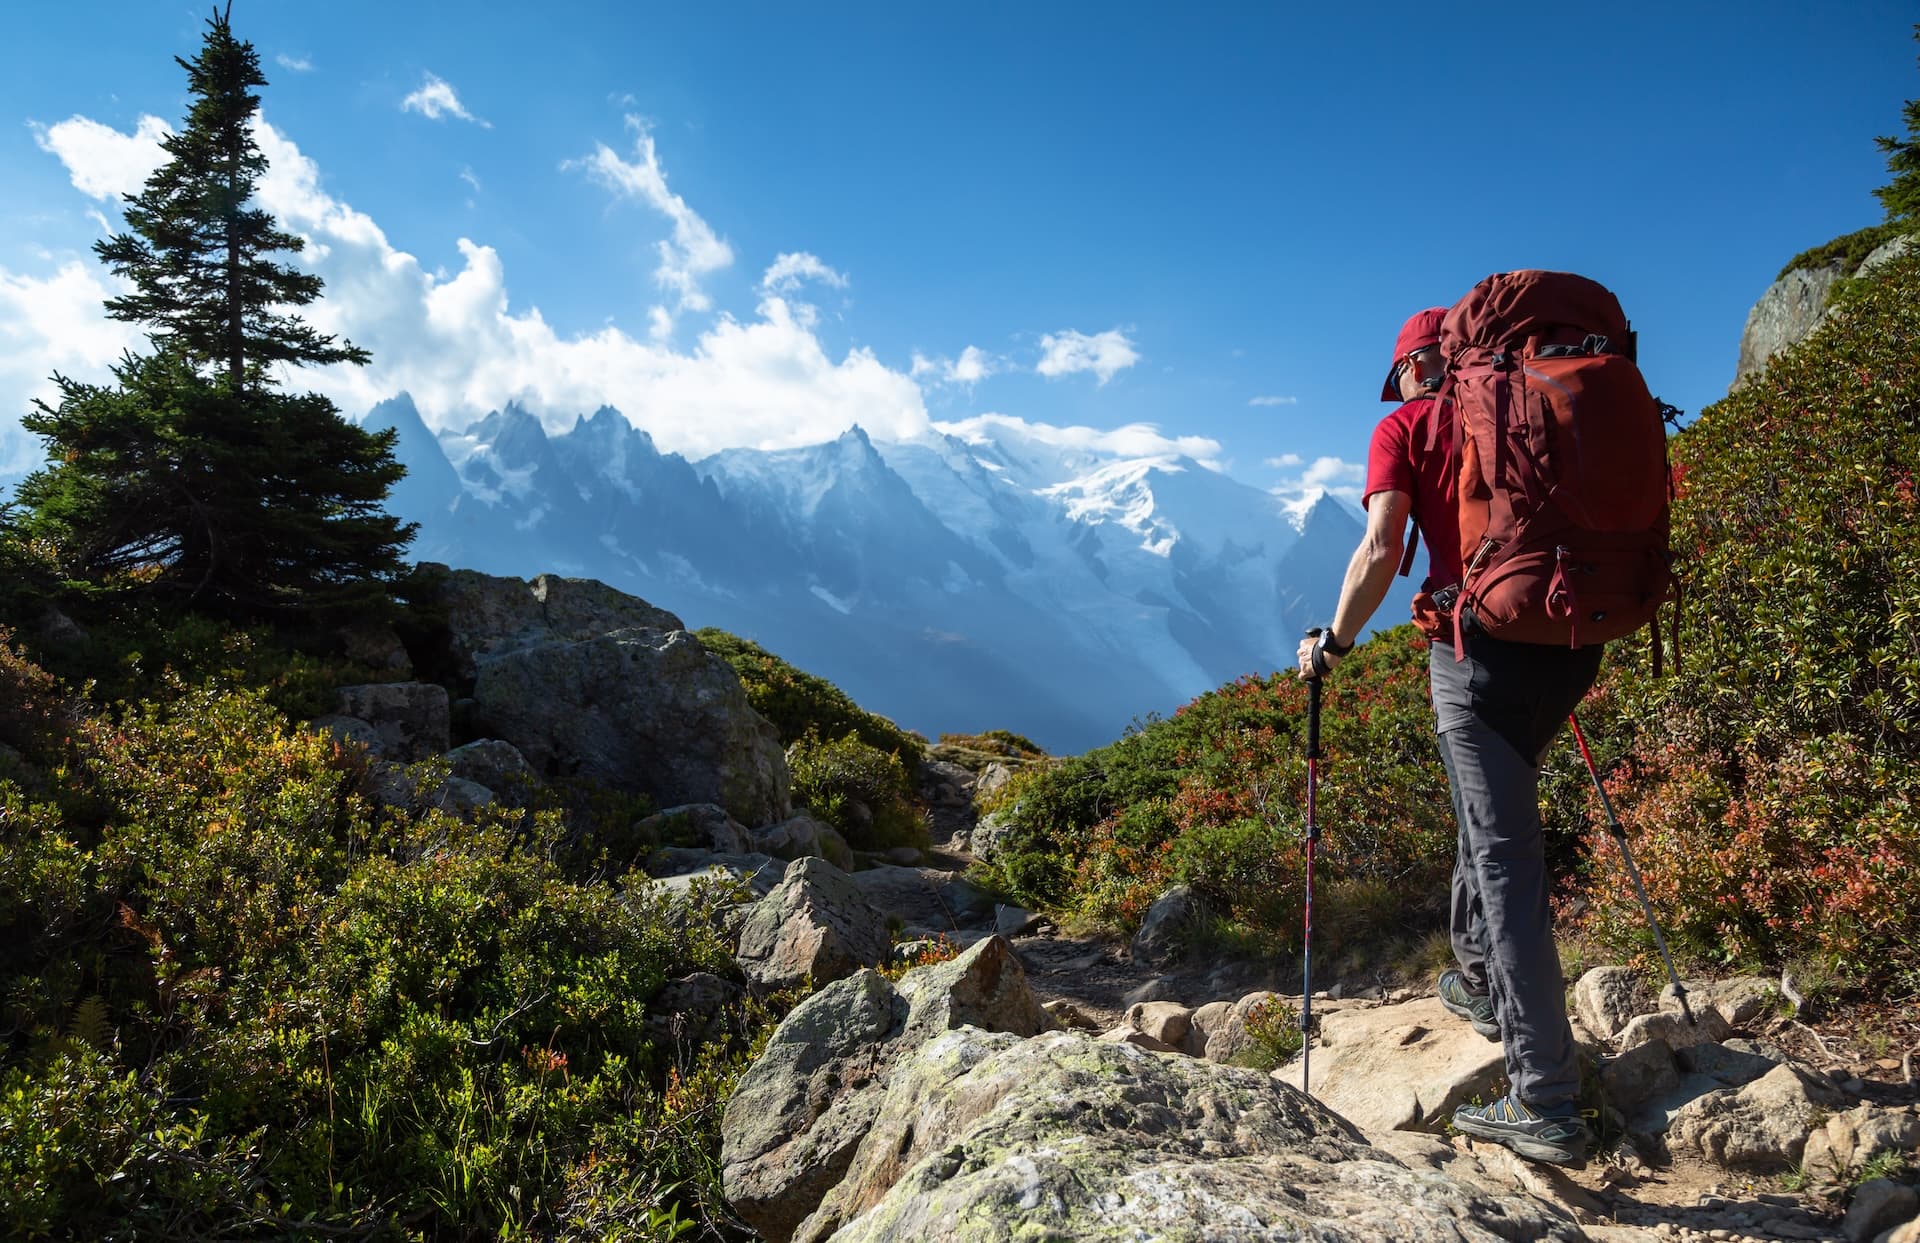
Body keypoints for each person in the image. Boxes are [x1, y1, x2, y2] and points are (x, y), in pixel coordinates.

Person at [1294, 306, 1603, 1166]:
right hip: (1574, 640)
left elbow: (1383, 546)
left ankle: (1544, 1093)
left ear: (1411, 370)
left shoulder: (1404, 424)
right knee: (1492, 808)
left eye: (1396, 376)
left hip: (1477, 653)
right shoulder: (1522, 407)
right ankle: (1477, 978)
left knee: (1504, 851)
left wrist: (1335, 643)